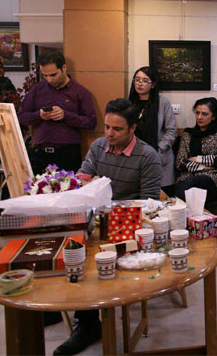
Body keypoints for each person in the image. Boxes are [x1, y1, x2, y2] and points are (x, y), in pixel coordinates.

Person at [55, 99, 162, 356]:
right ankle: (65, 304)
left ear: (132, 128)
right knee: (68, 246)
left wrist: (103, 195)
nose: (109, 134)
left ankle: (88, 323)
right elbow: (82, 179)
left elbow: (148, 204)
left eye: (117, 129)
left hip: (129, 225)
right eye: (106, 127)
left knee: (92, 258)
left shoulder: (148, 156)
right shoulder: (98, 146)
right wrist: (86, 186)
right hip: (97, 218)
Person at [18, 49, 97, 175]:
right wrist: (39, 115)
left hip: (67, 154)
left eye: (53, 75)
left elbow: (91, 122)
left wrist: (65, 115)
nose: (49, 79)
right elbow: (21, 117)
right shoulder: (38, 90)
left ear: (64, 68)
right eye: (45, 75)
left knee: (69, 188)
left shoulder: (80, 92)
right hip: (39, 153)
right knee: (34, 187)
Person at [174, 97, 217, 211]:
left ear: (213, 116)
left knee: (192, 183)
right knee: (187, 185)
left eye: (204, 114)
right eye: (197, 113)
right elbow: (180, 163)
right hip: (188, 177)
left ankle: (180, 213)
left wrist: (196, 159)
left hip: (215, 178)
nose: (199, 117)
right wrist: (206, 166)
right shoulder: (187, 134)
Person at [128, 66, 177, 189]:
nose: (140, 83)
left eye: (145, 81)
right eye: (137, 80)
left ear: (153, 84)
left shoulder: (163, 103)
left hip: (157, 154)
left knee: (158, 193)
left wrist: (160, 149)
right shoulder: (128, 104)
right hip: (134, 155)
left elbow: (171, 130)